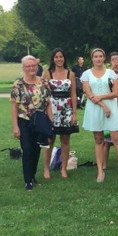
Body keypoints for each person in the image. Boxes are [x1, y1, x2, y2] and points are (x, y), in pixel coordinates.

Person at [81, 48, 118, 183]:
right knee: (99, 139)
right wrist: (103, 105)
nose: (98, 59)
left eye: (100, 56)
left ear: (104, 58)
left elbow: (115, 93)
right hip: (96, 108)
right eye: (95, 56)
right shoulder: (86, 74)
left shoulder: (111, 73)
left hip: (111, 107)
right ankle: (100, 171)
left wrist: (102, 97)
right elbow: (89, 94)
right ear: (92, 58)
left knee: (117, 139)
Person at [11, 55, 53, 191]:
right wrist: (15, 126)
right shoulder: (18, 84)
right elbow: (14, 106)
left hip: (40, 121)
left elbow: (48, 104)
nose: (31, 68)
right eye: (28, 66)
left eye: (33, 65)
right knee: (27, 149)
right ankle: (27, 180)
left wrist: (50, 123)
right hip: (24, 121)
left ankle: (33, 176)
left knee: (36, 150)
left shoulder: (44, 82)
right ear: (23, 68)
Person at [42, 48, 78, 179]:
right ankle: (46, 168)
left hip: (66, 108)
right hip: (51, 108)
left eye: (61, 56)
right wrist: (46, 112)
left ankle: (64, 168)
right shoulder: (48, 74)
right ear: (53, 59)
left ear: (64, 58)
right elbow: (44, 95)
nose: (59, 59)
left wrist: (74, 113)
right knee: (49, 139)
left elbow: (73, 94)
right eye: (56, 57)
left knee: (65, 139)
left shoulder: (70, 74)